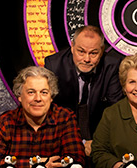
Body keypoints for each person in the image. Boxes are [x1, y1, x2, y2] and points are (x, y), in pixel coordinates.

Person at [0, 66, 85, 168]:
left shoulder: (65, 118)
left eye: (44, 92)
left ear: (51, 97)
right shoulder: (5, 122)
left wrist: (12, 166)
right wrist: (33, 166)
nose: (38, 98)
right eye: (31, 92)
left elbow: (77, 159)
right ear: (19, 96)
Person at [45, 25, 123, 156]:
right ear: (72, 47)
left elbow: (115, 110)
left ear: (102, 50)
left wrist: (98, 142)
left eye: (93, 53)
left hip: (98, 133)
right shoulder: (54, 65)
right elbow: (49, 112)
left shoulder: (112, 66)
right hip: (63, 135)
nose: (86, 59)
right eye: (81, 51)